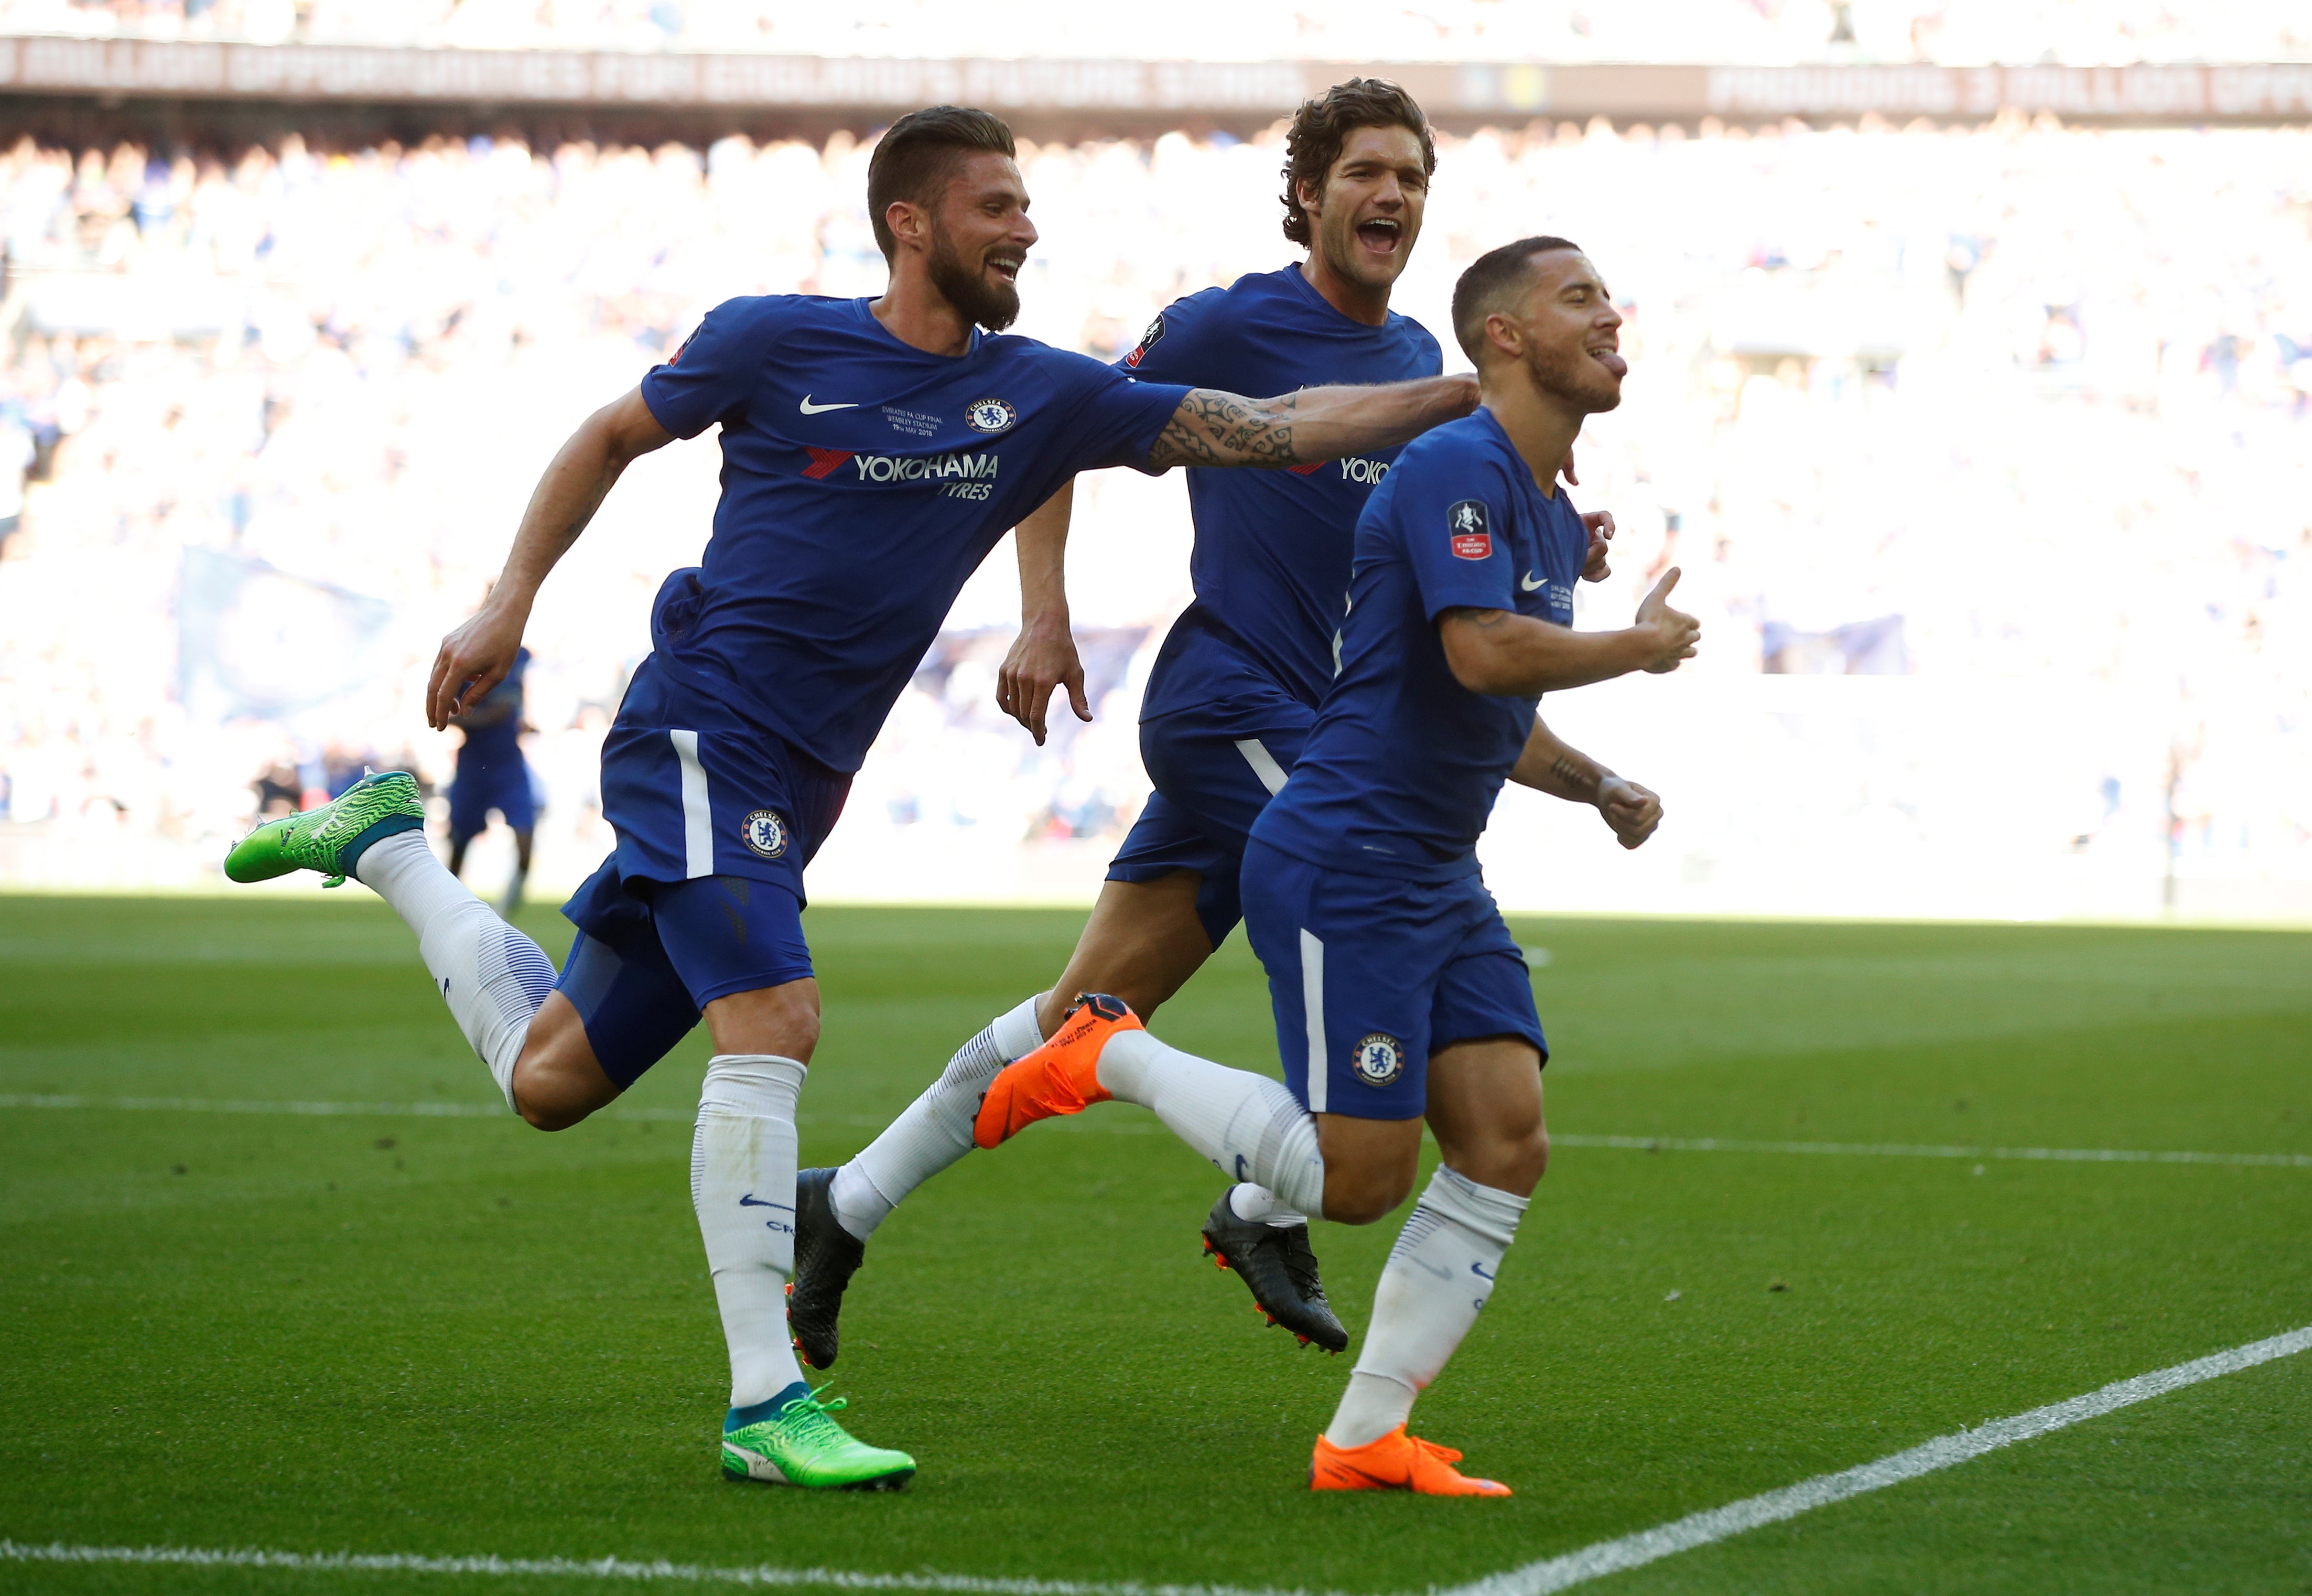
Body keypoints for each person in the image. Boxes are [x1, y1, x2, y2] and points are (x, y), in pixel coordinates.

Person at [219, 104, 1478, 1493]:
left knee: (553, 1077)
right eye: (999, 206)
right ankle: (766, 1402)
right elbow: (607, 433)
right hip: (700, 728)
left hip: (800, 781)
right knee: (777, 1019)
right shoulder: (775, 337)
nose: (1028, 228)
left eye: (1027, 206)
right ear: (912, 222)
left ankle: (388, 845)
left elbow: (1270, 429)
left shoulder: (1042, 390)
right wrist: (510, 595)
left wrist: (1468, 395)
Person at [791, 79, 1623, 1373]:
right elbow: (1058, 431)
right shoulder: (1230, 325)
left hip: (1324, 726)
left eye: (1409, 176)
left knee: (1078, 1010)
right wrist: (1043, 614)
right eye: (1363, 173)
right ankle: (1267, 1201)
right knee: (1380, 902)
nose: (1389, 194)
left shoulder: (1419, 365)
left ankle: (839, 1204)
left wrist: (1552, 535)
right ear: (1307, 193)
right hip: (1236, 702)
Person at [971, 236, 1699, 1496]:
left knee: (1505, 1137)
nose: (1611, 311)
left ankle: (1363, 1437)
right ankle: (1103, 1047)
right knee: (1358, 1179)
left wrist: (1597, 784)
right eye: (1580, 295)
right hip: (1350, 853)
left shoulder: (1531, 500)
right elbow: (1480, 650)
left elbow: (1488, 698)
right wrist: (1635, 645)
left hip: (1432, 863)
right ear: (1505, 338)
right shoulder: (1453, 466)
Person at [444, 642, 539, 913]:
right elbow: (444, 713)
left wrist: (520, 720)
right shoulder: (464, 654)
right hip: (475, 763)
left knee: (525, 842)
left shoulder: (521, 655)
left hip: (509, 760)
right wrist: (483, 718)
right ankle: (448, 908)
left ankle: (504, 915)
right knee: (459, 843)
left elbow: (518, 700)